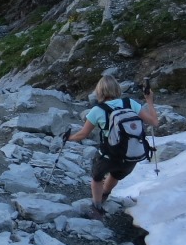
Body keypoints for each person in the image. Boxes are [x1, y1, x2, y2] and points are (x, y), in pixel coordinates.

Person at [62, 75, 158, 214]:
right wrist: (149, 101)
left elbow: (83, 134)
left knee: (97, 177)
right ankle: (105, 194)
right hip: (131, 155)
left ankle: (97, 207)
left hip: (110, 155)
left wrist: (68, 138)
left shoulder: (97, 110)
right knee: (115, 175)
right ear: (117, 88)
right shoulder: (130, 103)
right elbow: (154, 122)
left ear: (99, 91)